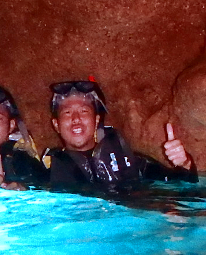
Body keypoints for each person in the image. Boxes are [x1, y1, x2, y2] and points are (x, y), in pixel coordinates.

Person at [42, 80, 197, 191]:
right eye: (67, 113)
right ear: (56, 125)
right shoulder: (44, 171)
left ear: (96, 121)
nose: (76, 119)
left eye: (84, 111)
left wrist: (185, 164)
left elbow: (183, 188)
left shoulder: (130, 162)